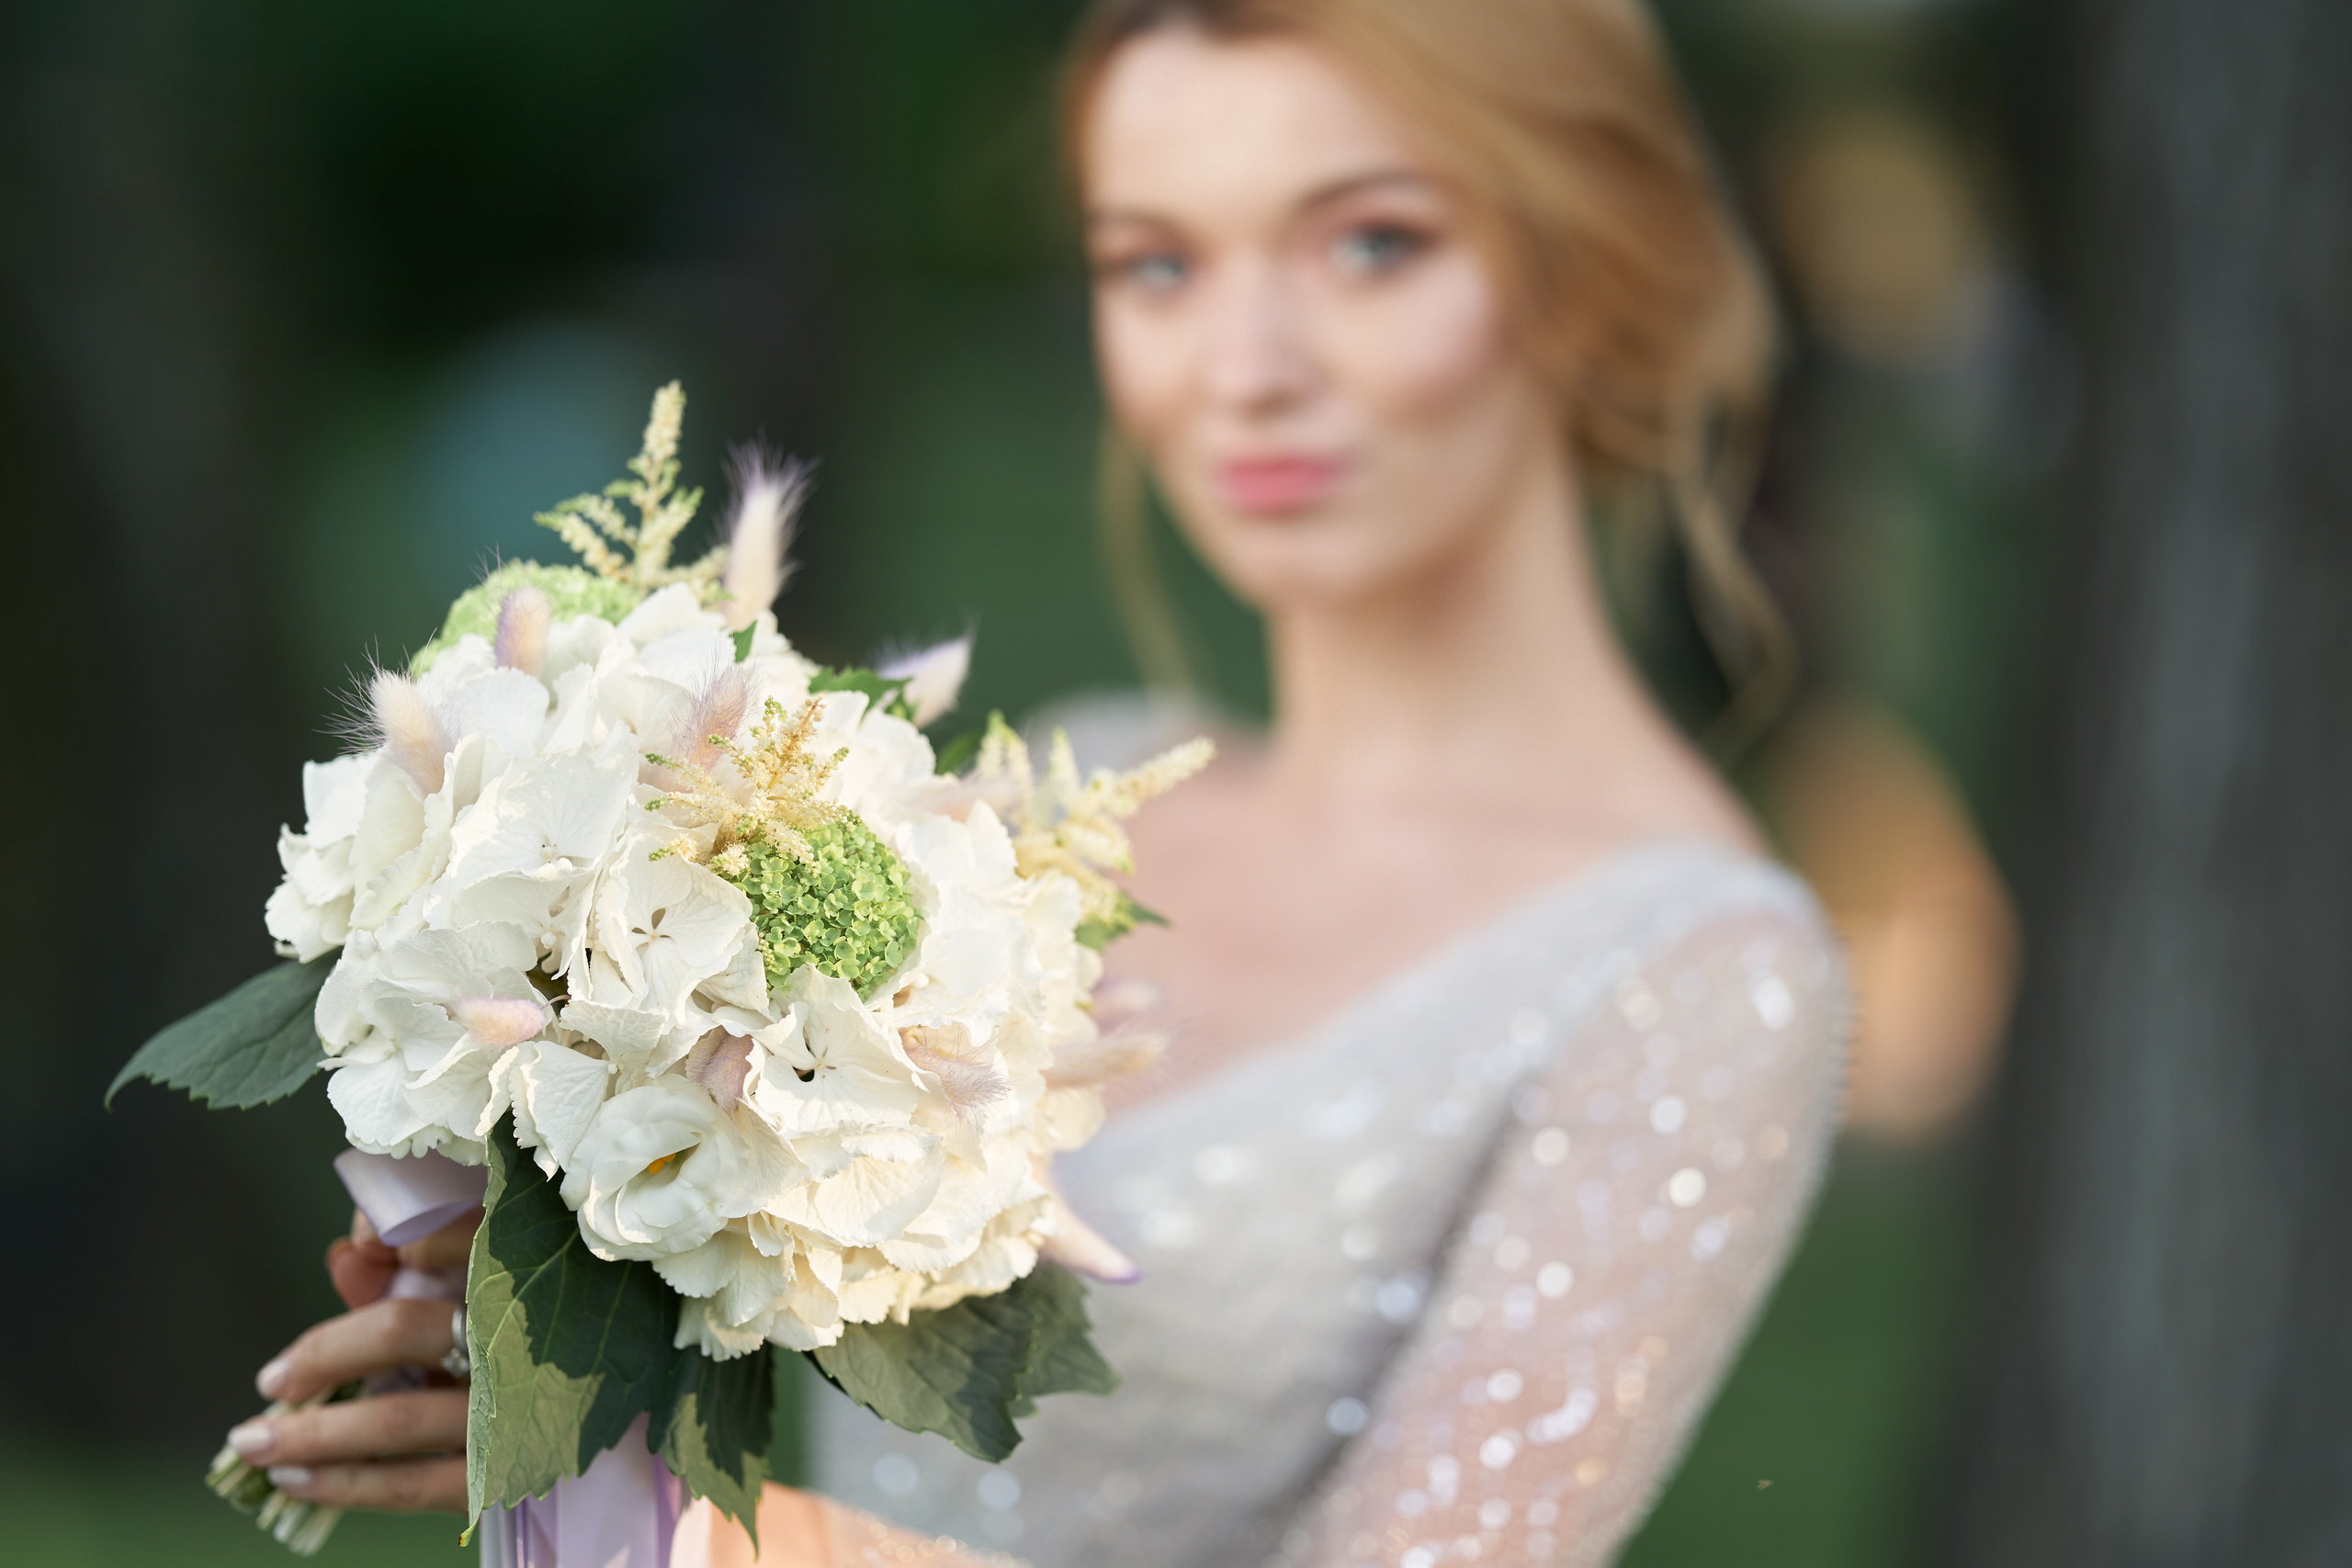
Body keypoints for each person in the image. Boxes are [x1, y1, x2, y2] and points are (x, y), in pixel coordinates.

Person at [230, 2, 1846, 1563]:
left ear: (1592, 253)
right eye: (1159, 263)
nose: (1246, 364)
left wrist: (688, 1541)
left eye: (1370, 243)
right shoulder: (1095, 773)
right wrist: (548, 1282)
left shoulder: (1700, 973)